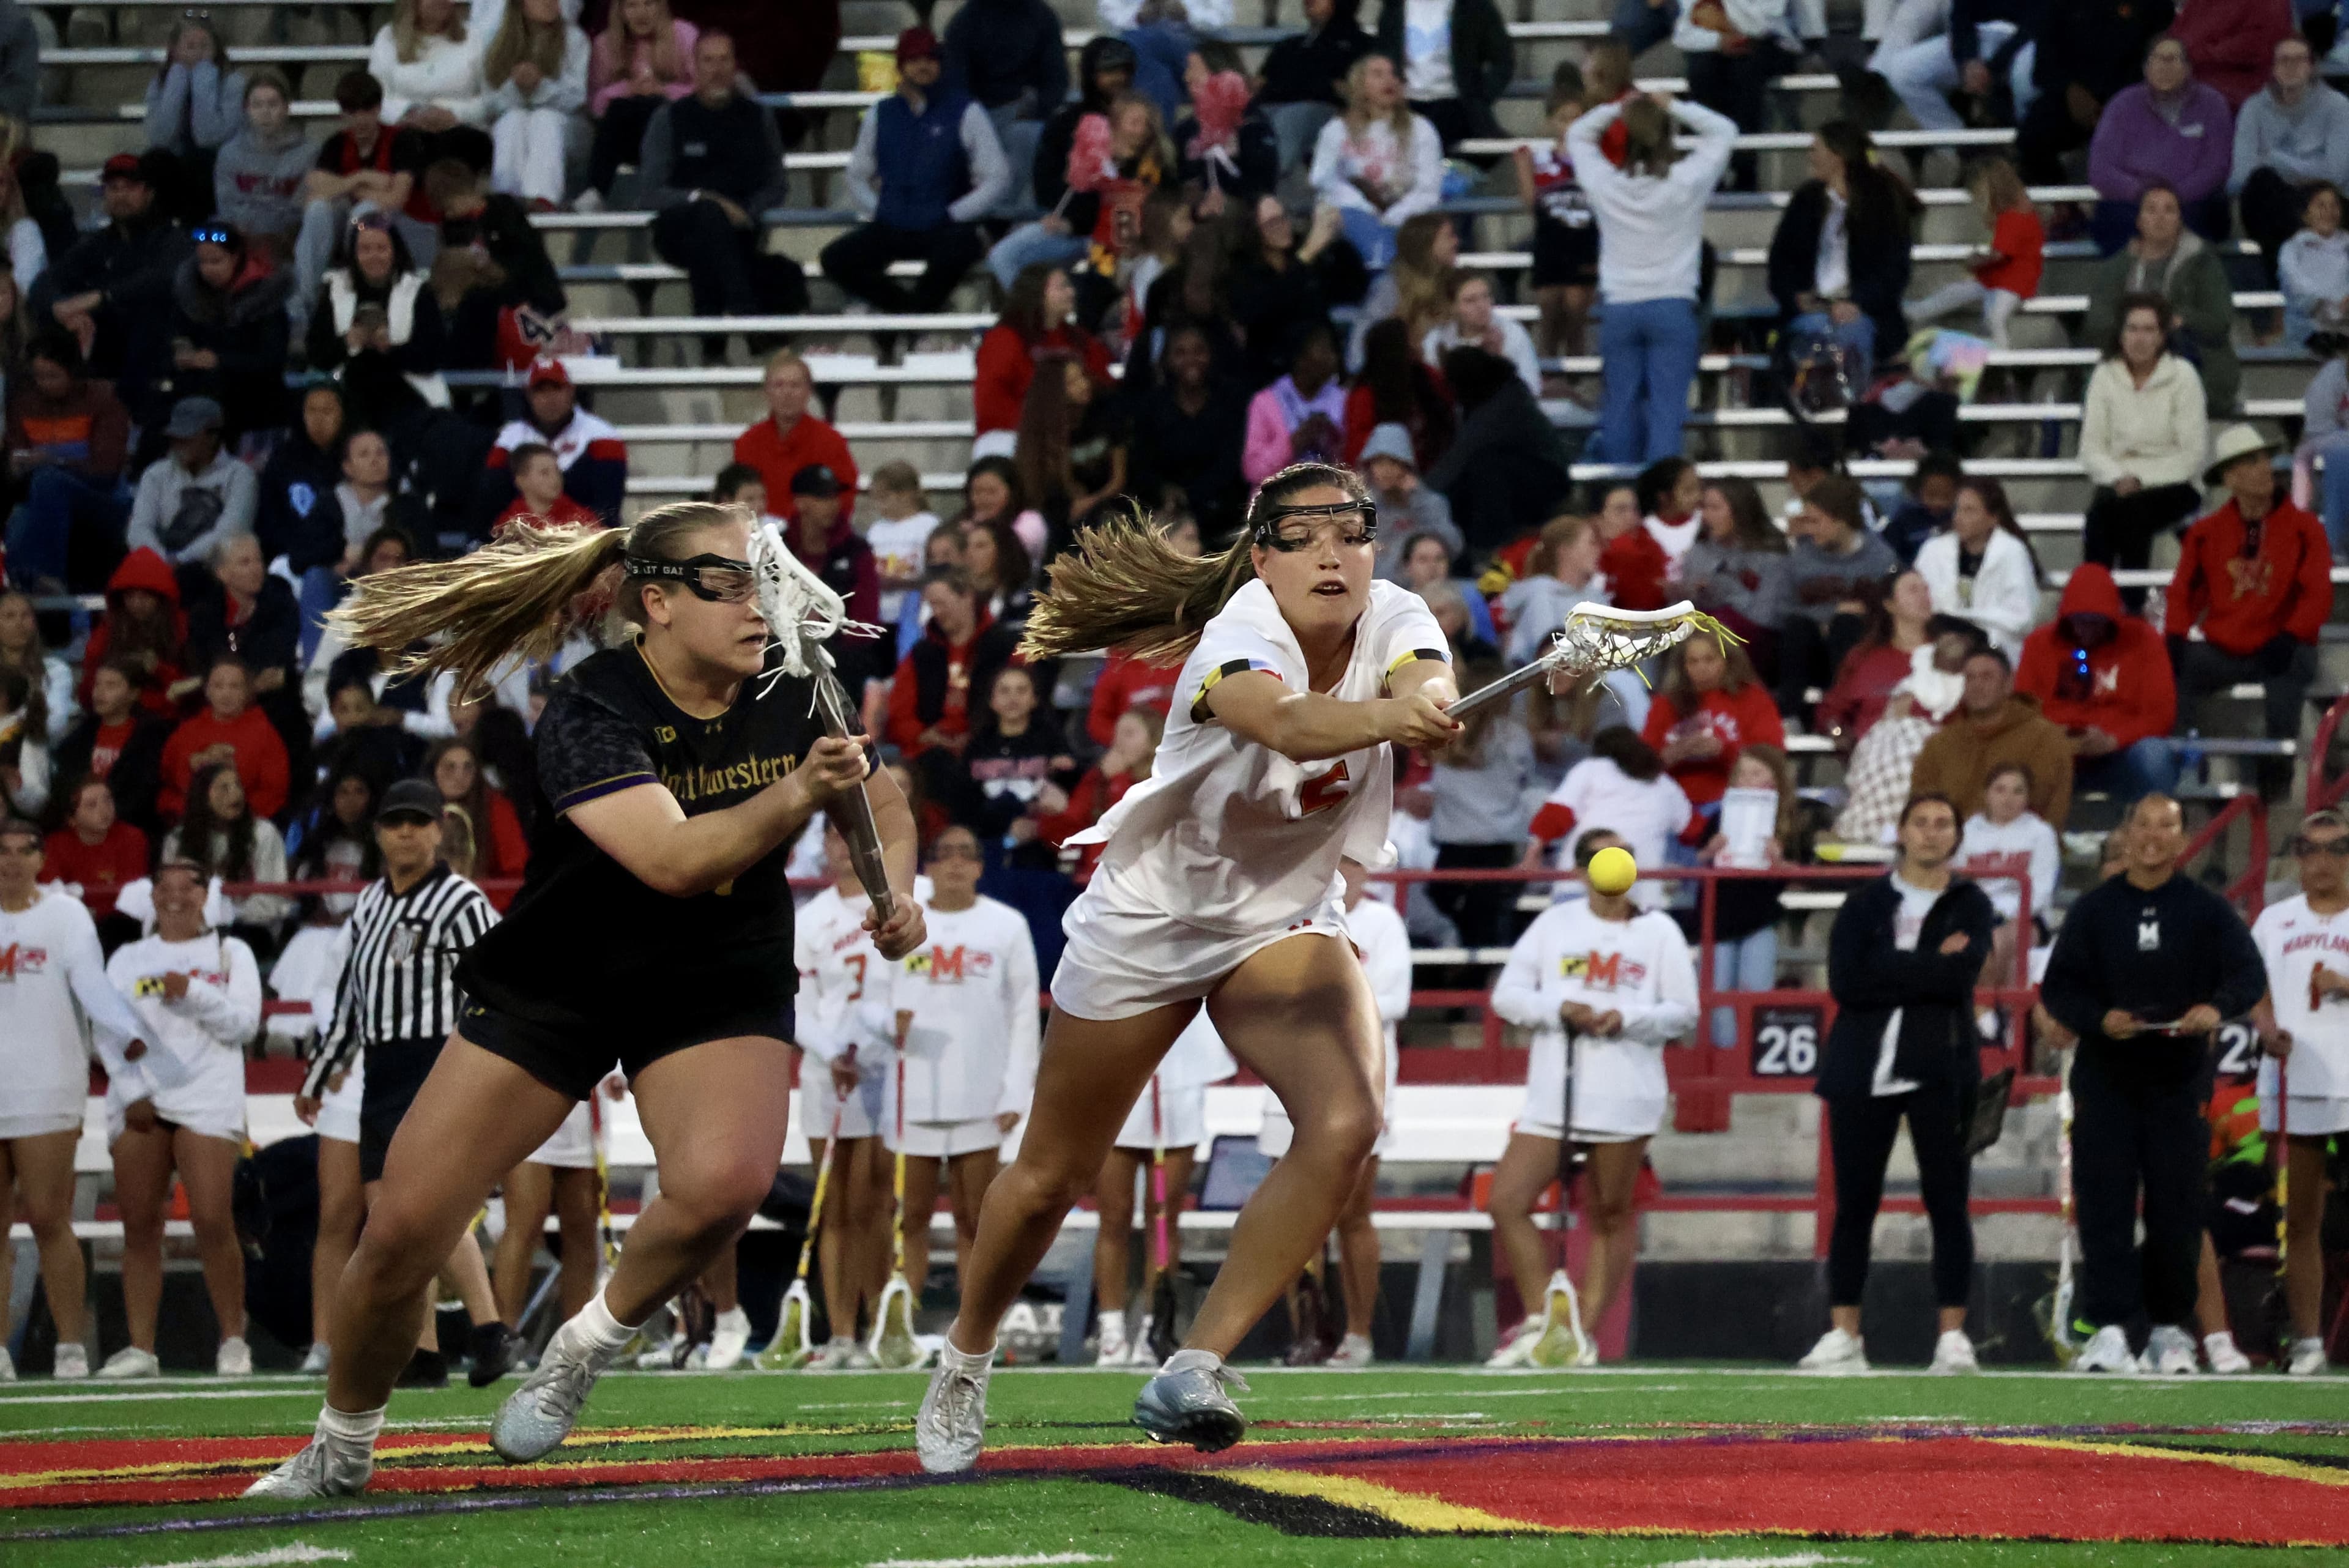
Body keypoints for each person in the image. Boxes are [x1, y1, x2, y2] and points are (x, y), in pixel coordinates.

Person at [245, 501, 923, 1497]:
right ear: (657, 602)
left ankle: (585, 1343)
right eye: (727, 583)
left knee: (726, 1185)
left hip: (716, 973)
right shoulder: (589, 704)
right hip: (568, 972)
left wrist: (894, 892)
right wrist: (794, 792)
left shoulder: (795, 682)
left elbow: (883, 808)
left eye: (762, 581)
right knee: (401, 1232)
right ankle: (342, 1439)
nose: (756, 603)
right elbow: (674, 860)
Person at [915, 464, 1460, 1470]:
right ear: (1261, 558)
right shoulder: (1237, 634)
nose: (1333, 553)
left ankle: (1192, 1364)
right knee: (1049, 1175)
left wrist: (1428, 699)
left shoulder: (1396, 612)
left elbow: (1426, 677)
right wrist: (1395, 718)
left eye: (1351, 531)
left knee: (1348, 1120)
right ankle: (965, 1354)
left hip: (1282, 912)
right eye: (1304, 535)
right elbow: (1288, 723)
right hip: (1155, 916)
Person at [286, 780, 511, 1389]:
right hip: (381, 1068)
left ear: (439, 829)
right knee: (390, 1216)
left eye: (418, 821)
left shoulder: (460, 901)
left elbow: (497, 982)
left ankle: (490, 1327)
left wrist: (483, 1063)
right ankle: (424, 1349)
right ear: (378, 833)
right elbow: (353, 999)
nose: (406, 832)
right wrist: (320, 1071)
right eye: (395, 822)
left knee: (425, 1209)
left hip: (436, 1062)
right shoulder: (370, 903)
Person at [2039, 793, 2266, 1374]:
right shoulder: (2094, 910)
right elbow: (2059, 988)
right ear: (2127, 833)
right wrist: (2098, 1019)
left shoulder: (2207, 910)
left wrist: (2215, 1008)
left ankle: (2170, 1329)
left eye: (2166, 826)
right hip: (2107, 1079)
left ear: (2182, 838)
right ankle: (2111, 1329)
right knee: (2104, 1205)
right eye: (2142, 824)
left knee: (2177, 1206)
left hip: (2178, 1081)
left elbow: (2249, 974)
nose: (2152, 836)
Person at [1799, 792, 1995, 1375]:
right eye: (1921, 822)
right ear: (1902, 831)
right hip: (1861, 1068)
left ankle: (1952, 1337)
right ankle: (1844, 1333)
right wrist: (1929, 964)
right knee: (1855, 1204)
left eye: (1943, 823)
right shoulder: (1864, 903)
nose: (1932, 833)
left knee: (1948, 1201)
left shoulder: (1971, 903)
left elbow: (1959, 977)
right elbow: (1846, 982)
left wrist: (1888, 962)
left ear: (1956, 836)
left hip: (1943, 1066)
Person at [1487, 829, 1699, 1367]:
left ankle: (1583, 1332)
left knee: (1610, 1212)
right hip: (1554, 1092)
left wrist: (1627, 1017)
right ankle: (1544, 1318)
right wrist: (1560, 1008)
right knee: (1508, 1200)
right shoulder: (1554, 924)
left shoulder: (1659, 931)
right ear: (1581, 869)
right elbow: (1508, 996)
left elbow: (1683, 1010)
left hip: (1625, 1093)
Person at [102, 851, 266, 1382]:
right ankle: (141, 1347)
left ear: (206, 893)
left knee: (214, 1220)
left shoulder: (231, 952)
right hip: (141, 1096)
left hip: (208, 1095)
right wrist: (131, 1089)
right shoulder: (128, 957)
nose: (175, 895)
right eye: (164, 885)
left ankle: (233, 1340)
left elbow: (244, 1024)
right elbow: (106, 1028)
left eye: (188, 884)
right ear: (151, 895)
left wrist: (192, 991)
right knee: (139, 1225)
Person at [0, 818, 148, 1381]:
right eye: (3, 851)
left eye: (24, 851)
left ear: (42, 859)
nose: (12, 861)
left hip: (48, 1083)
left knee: (47, 1216)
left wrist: (126, 1032)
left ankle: (69, 1346)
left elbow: (91, 984)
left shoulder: (65, 915)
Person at [878, 825, 1039, 1295]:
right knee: (910, 1217)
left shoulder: (1007, 925)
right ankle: (901, 1321)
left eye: (965, 854)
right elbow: (873, 998)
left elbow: (1024, 1013)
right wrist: (888, 1022)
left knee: (975, 1219)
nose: (954, 863)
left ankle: (973, 1326)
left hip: (981, 1094)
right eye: (944, 853)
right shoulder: (904, 924)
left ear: (980, 866)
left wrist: (1016, 1090)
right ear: (927, 866)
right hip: (912, 1095)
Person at [1567, 93, 1737, 464]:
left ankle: (1619, 491)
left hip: (1620, 309)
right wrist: (1673, 104)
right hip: (1672, 306)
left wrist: (1618, 106)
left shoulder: (1605, 183)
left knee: (1619, 408)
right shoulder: (1686, 181)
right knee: (1666, 413)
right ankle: (1661, 493)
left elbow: (1578, 134)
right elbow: (1725, 130)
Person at [792, 816, 904, 1368]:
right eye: (832, 836)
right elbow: (798, 1003)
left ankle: (879, 1327)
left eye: (849, 834)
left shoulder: (898, 905)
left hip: (884, 1070)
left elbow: (907, 989)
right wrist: (832, 1051)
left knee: (874, 1205)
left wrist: (871, 1044)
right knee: (833, 1206)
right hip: (827, 1073)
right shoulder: (810, 919)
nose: (841, 845)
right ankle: (840, 1334)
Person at [2167, 424, 2332, 775]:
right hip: (2226, 648)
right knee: (2173, 666)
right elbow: (2184, 591)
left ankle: (2278, 778)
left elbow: (2317, 593)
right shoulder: (2205, 533)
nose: (2265, 468)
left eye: (2265, 459)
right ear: (2230, 478)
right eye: (2252, 462)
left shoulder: (2305, 528)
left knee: (2291, 668)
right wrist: (2176, 634)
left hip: (2283, 644)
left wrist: (2291, 634)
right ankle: (2180, 768)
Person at [2248, 806, 2349, 1377]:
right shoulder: (2275, 920)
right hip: (2300, 1081)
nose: (2324, 861)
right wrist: (2267, 1028)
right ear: (2298, 857)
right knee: (2303, 1217)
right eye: (2312, 849)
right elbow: (2252, 985)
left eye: (2337, 848)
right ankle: (2309, 1340)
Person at [824, 29, 1009, 318]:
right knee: (835, 259)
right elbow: (857, 174)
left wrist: (954, 213)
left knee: (959, 251)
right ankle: (908, 313)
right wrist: (880, 209)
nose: (923, 66)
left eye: (930, 58)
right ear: (901, 66)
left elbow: (997, 177)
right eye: (914, 59)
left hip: (945, 227)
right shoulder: (881, 113)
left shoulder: (966, 111)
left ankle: (908, 319)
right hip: (894, 224)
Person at [640, 31, 804, 328]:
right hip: (679, 228)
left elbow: (777, 183)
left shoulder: (758, 117)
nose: (717, 69)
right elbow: (651, 192)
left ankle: (713, 346)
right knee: (709, 215)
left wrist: (749, 212)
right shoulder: (669, 118)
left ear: (735, 65)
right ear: (694, 67)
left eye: (724, 60)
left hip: (739, 227)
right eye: (708, 61)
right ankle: (744, 310)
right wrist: (704, 199)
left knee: (709, 249)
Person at [32, 152, 191, 425]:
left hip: (156, 349)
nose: (121, 196)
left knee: (149, 317)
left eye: (130, 188)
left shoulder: (172, 239)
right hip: (105, 345)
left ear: (149, 193)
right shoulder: (99, 242)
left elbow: (160, 280)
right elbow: (45, 282)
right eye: (114, 188)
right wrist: (60, 308)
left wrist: (100, 298)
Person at [2078, 294, 2210, 605]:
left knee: (2131, 514)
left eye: (2149, 330)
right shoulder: (2104, 375)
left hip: (2175, 483)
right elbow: (2091, 448)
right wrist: (2118, 477)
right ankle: (2094, 606)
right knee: (2098, 520)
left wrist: (2139, 478)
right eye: (2133, 329)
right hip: (2118, 481)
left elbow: (2193, 455)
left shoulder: (2183, 376)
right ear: (2121, 334)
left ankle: (2132, 606)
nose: (2140, 338)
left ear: (2163, 336)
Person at [2015, 562, 2179, 804]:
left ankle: (2153, 826)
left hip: (2120, 755)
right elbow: (2023, 712)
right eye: (2079, 621)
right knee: (2015, 753)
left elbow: (2161, 715)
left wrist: (2113, 739)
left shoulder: (2143, 640)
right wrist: (2058, 736)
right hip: (2056, 756)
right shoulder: (2039, 644)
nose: (2086, 630)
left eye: (2095, 622)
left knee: (2154, 755)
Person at [1767, 122, 1918, 376]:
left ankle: (1849, 397)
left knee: (1852, 333)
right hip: (1813, 309)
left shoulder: (1881, 202)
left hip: (1866, 312)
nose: (1810, 156)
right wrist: (1795, 297)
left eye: (1816, 149)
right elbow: (1780, 263)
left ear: (1838, 156)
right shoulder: (1806, 200)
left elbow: (1893, 271)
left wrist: (1857, 302)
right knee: (1811, 332)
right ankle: (1814, 395)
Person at [292, 72, 434, 333]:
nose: (360, 119)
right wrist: (361, 178)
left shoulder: (402, 141)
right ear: (343, 114)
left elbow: (396, 199)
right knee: (318, 211)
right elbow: (312, 197)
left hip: (400, 228)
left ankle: (357, 289)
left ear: (378, 109)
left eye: (367, 111)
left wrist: (343, 188)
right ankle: (308, 303)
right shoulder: (337, 144)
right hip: (349, 228)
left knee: (366, 212)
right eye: (352, 112)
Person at [2084, 185, 2240, 418]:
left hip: (2194, 365)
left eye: (2169, 210)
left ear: (2180, 220)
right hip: (2128, 366)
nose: (2160, 217)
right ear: (2139, 220)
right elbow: (2097, 323)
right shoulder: (2117, 267)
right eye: (2151, 210)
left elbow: (2219, 322)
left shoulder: (2203, 263)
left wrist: (2181, 319)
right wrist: (2134, 330)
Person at [2, 333, 132, 595]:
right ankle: (20, 591)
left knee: (48, 481)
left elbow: (106, 470)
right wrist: (16, 466)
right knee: (20, 517)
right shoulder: (24, 404)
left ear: (73, 372)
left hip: (102, 499)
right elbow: (16, 456)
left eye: (53, 376)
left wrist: (54, 462)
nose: (44, 384)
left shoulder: (103, 400)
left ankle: (49, 576)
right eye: (39, 376)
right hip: (40, 498)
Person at [2087, 36, 2234, 254]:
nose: (2165, 67)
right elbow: (2101, 169)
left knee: (2202, 214)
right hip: (2135, 202)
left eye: (2172, 59)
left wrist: (2172, 198)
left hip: (2193, 202)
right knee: (2114, 218)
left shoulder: (2213, 104)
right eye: (2158, 59)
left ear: (2188, 68)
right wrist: (2144, 196)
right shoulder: (2122, 105)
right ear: (2146, 68)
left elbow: (2217, 166)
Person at [1524, 726, 1697, 910]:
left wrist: (1532, 855)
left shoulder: (1591, 769)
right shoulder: (1666, 785)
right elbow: (1693, 831)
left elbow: (1556, 815)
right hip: (1640, 893)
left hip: (1582, 886)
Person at [1425, 346, 1575, 558]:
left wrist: (1417, 493)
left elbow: (1458, 459)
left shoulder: (1501, 404)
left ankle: (1489, 548)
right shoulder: (1501, 391)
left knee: (1484, 467)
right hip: (1527, 473)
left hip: (1547, 482)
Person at [2015, 0, 2176, 190]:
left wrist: (2119, 104)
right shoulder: (2058, 5)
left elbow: (2162, 57)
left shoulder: (2156, 6)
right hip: (2072, 100)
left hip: (2133, 100)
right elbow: (2044, 64)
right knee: (2031, 138)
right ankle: (2065, 203)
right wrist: (2070, 90)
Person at [1909, 646, 2073, 825]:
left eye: (1987, 677)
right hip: (1949, 840)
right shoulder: (1940, 744)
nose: (1977, 685)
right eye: (1970, 678)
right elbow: (1921, 804)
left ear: (2008, 683)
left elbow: (2045, 806)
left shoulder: (2044, 738)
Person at [1779, 475, 1900, 719]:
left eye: (1816, 521)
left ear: (1842, 520)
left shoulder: (1880, 559)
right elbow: (1781, 608)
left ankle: (1843, 713)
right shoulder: (1801, 558)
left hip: (1858, 650)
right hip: (1811, 650)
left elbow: (1889, 612)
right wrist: (1828, 618)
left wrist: (1847, 617)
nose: (1809, 529)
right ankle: (1791, 717)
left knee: (1847, 624)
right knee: (1797, 628)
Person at [2230, 37, 2349, 283]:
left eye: (2299, 60)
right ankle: (2288, 281)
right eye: (2283, 60)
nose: (2291, 66)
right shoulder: (2253, 109)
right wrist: (2308, 168)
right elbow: (2242, 175)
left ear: (2312, 66)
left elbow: (2336, 173)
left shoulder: (2339, 107)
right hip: (2272, 199)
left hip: (2323, 197)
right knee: (2263, 184)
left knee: (2318, 198)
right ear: (2273, 68)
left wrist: (2275, 160)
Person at [1310, 54, 1444, 270]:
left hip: (1405, 217)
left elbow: (1428, 189)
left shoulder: (1421, 129)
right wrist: (1365, 209)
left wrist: (1393, 216)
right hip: (1354, 215)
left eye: (1393, 74)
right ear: (1360, 85)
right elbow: (1323, 178)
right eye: (1378, 74)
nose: (1389, 80)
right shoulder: (1337, 129)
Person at [166, 223, 291, 442]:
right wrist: (181, 347)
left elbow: (271, 359)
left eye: (216, 261)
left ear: (235, 258)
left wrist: (219, 361)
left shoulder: (265, 299)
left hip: (254, 398)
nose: (208, 269)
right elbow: (178, 330)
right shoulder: (193, 294)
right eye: (203, 262)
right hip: (202, 389)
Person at [1907, 156, 2043, 349]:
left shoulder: (2013, 218)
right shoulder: (2019, 215)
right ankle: (1919, 311)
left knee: (1994, 318)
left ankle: (2003, 357)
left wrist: (1976, 260)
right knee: (1957, 292)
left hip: (2013, 283)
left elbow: (1999, 254)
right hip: (1998, 279)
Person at [941, 0, 1070, 203]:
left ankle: (1032, 209)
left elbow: (1057, 79)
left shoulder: (1042, 16)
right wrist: (977, 121)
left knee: (1034, 132)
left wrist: (1038, 109)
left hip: (1030, 111)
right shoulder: (965, 22)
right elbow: (956, 87)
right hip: (982, 115)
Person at [1644, 637, 1784, 812]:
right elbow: (1642, 763)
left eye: (1709, 660)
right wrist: (1670, 755)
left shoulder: (1753, 699)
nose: (1701, 668)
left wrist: (1722, 750)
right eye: (1693, 662)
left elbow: (1770, 758)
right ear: (1682, 667)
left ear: (1728, 661)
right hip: (1672, 802)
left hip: (1734, 798)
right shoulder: (1665, 703)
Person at [481, 359, 626, 527]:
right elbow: (490, 501)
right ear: (528, 395)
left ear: (571, 391)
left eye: (556, 389)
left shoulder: (602, 435)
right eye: (541, 391)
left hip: (584, 531)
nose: (550, 399)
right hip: (523, 529)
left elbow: (608, 506)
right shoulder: (509, 438)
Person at [1958, 761, 2060, 992]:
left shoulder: (2040, 833)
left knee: (1998, 943)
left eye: (2018, 791)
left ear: (2027, 797)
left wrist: (2009, 914)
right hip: (1977, 914)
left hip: (2026, 916)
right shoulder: (1967, 833)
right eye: (2000, 790)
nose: (2008, 799)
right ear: (1987, 794)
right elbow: (1956, 880)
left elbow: (2041, 889)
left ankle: (1996, 1008)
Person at [124, 397, 258, 573]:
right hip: (156, 568)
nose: (178, 443)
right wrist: (162, 561)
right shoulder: (156, 473)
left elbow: (232, 533)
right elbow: (139, 527)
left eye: (187, 437)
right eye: (175, 437)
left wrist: (182, 560)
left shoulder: (239, 475)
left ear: (213, 436)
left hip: (214, 572)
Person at [1913, 477, 2039, 661]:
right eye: (1957, 509)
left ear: (1993, 518)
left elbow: (2021, 618)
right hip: (1940, 644)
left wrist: (1967, 621)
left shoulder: (2012, 552)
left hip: (1997, 648)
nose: (1958, 518)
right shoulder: (1933, 550)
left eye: (1969, 511)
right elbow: (1919, 604)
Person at [478, 0, 588, 210]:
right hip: (515, 121)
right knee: (512, 120)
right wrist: (516, 87)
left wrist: (540, 86)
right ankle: (506, 201)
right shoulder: (496, 40)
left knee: (545, 119)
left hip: (568, 125)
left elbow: (578, 99)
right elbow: (490, 103)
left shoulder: (575, 39)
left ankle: (542, 200)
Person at [584, 0, 696, 200]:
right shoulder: (606, 43)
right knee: (621, 107)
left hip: (676, 129)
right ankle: (595, 194)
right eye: (632, 6)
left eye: (648, 4)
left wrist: (663, 90)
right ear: (620, 11)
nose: (641, 13)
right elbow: (596, 105)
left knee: (654, 105)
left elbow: (701, 91)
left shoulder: (683, 34)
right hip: (628, 134)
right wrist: (629, 89)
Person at [1371, 0, 1515, 150]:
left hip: (1454, 106)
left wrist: (1478, 97)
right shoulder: (1393, 8)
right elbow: (1384, 58)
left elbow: (1503, 60)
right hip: (1404, 105)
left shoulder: (1474, 7)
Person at [732, 349, 858, 519]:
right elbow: (738, 499)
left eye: (795, 385)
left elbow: (844, 498)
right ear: (766, 391)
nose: (787, 393)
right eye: (779, 385)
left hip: (816, 533)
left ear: (809, 391)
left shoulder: (830, 441)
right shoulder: (748, 443)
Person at [1677, 475, 1789, 667]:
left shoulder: (1771, 554)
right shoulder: (1699, 552)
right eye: (1704, 508)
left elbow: (1767, 618)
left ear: (1740, 511)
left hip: (1755, 641)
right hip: (1702, 636)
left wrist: (1727, 590)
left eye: (1715, 508)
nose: (1706, 516)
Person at [368, 0, 492, 171]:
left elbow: (490, 99)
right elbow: (375, 94)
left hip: (461, 131)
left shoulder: (474, 37)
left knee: (455, 142)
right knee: (409, 144)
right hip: (406, 130)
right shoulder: (388, 37)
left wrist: (454, 114)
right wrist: (409, 114)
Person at [53, 660, 170, 838]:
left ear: (134, 693)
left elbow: (144, 793)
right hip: (80, 830)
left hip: (130, 830)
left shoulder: (151, 737)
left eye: (111, 685)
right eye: (97, 685)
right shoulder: (79, 738)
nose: (100, 693)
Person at [1258, 0, 1375, 173]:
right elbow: (1258, 86)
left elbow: (1358, 94)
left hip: (1328, 116)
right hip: (1274, 112)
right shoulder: (1288, 46)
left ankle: (1264, 176)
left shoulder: (1362, 46)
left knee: (1296, 116)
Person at [213, 70, 313, 256]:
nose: (265, 112)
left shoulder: (308, 153)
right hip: (240, 237)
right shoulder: (229, 154)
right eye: (257, 105)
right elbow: (227, 206)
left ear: (286, 107)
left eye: (273, 104)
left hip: (287, 240)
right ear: (247, 109)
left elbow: (301, 209)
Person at [1242, 319, 1347, 485]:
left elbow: (1354, 467)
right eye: (1324, 349)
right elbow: (1254, 471)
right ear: (1300, 358)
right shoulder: (1266, 402)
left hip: (1329, 493)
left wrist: (1332, 440)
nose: (1333, 358)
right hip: (1280, 496)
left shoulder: (1344, 399)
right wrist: (1294, 442)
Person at [1422, 270, 1540, 397]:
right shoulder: (1438, 339)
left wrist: (1499, 362)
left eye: (1486, 296)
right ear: (1453, 306)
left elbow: (1531, 387)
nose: (1482, 306)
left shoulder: (1512, 332)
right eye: (1470, 301)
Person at [2169, 0, 2296, 111]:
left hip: (2237, 97)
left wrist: (2199, 53)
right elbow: (2180, 34)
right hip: (2187, 84)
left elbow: (2260, 44)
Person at [2280, 183, 2349, 351]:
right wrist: (2332, 305)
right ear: (2305, 214)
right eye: (2321, 206)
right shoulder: (2292, 249)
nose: (2329, 212)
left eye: (2334, 206)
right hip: (2307, 332)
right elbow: (2297, 287)